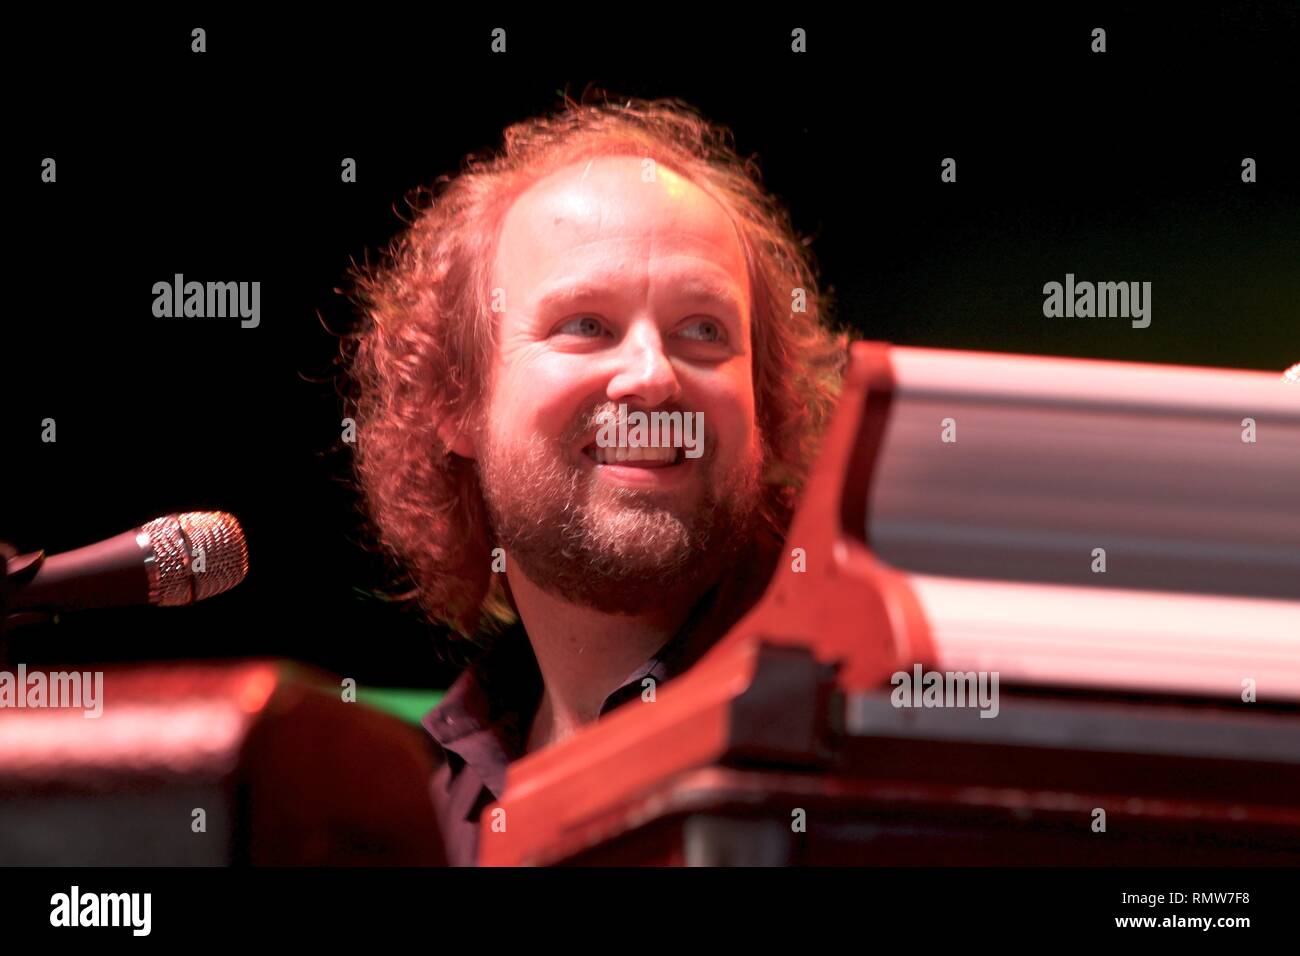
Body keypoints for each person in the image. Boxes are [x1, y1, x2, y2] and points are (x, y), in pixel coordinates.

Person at [347, 93, 846, 864]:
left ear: (766, 404)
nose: (651, 376)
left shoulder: (857, 728)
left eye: (703, 330)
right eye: (586, 325)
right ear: (456, 401)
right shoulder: (425, 798)